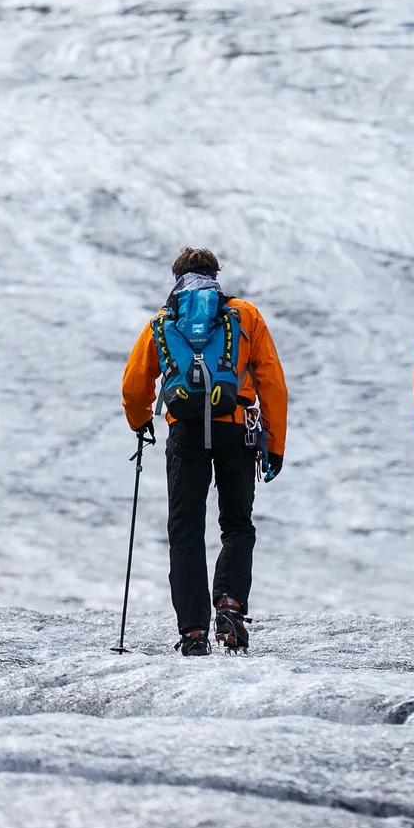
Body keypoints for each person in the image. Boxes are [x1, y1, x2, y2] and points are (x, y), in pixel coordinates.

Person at [121, 246, 289, 656]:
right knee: (236, 524)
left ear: (176, 277)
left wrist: (141, 421)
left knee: (185, 530)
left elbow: (133, 387)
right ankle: (230, 605)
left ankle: (193, 630)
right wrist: (275, 443)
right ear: (216, 275)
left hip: (185, 434)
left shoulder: (164, 320)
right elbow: (272, 382)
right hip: (236, 429)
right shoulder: (245, 315)